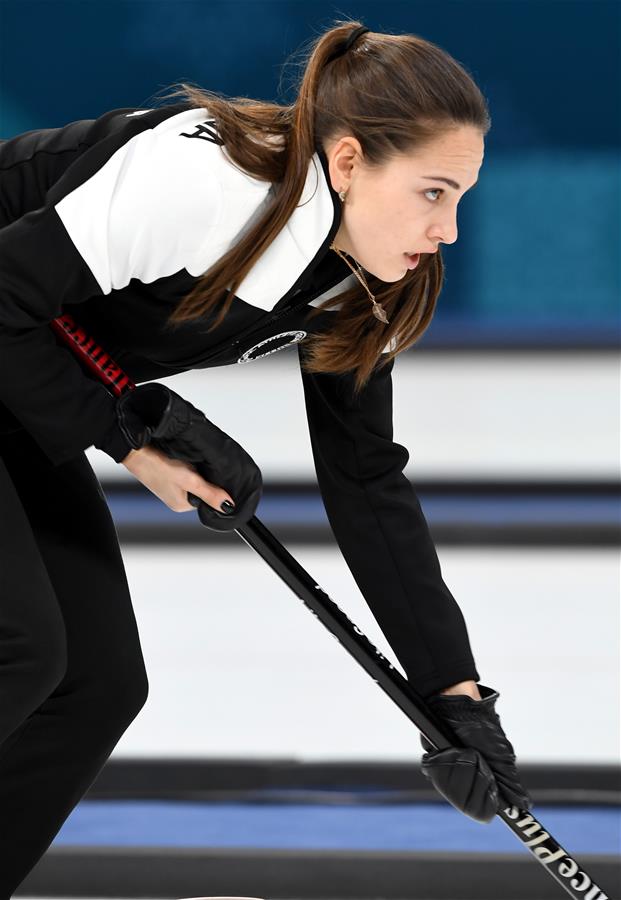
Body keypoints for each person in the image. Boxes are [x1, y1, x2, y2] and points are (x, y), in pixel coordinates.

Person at [0, 20, 532, 895]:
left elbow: (363, 477)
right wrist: (129, 433)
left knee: (93, 688)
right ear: (351, 161)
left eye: (461, 199)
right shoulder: (207, 180)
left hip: (17, 371)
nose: (449, 229)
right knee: (20, 649)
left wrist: (453, 695)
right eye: (433, 193)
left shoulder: (365, 272)